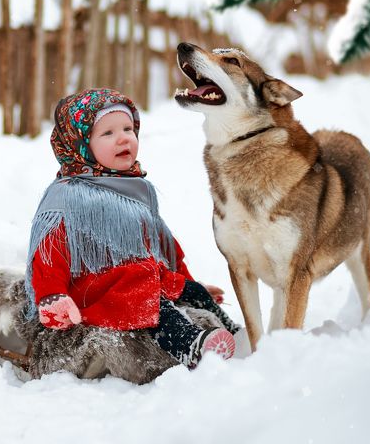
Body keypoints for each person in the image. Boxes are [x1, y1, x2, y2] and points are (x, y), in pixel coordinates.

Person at [24, 88, 241, 369]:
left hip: (139, 277)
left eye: (128, 128)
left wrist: (189, 283)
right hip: (95, 287)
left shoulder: (136, 189)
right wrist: (52, 296)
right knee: (149, 302)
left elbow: (164, 247)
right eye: (108, 133)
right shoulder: (68, 198)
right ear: (80, 145)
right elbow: (49, 256)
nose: (124, 138)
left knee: (189, 292)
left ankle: (233, 333)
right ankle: (191, 346)